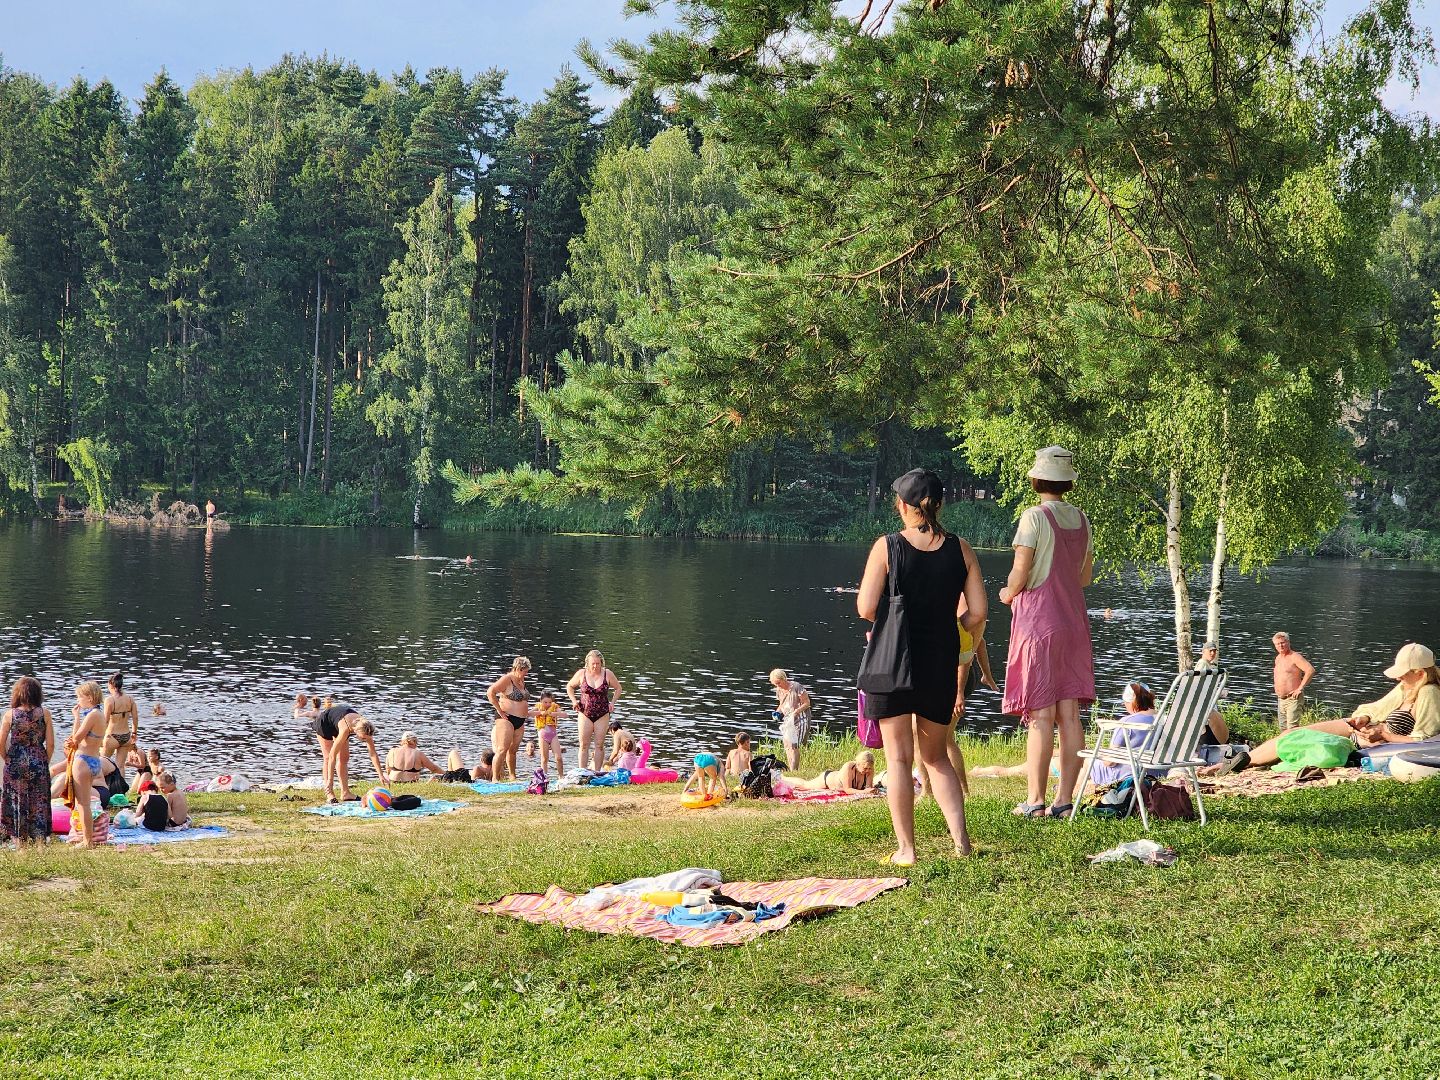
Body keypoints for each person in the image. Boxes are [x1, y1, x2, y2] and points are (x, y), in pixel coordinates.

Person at [858, 467, 986, 864]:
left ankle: (907, 850)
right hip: (938, 663)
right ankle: (962, 845)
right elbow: (978, 612)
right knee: (937, 757)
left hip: (891, 662)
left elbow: (865, 608)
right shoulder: (961, 548)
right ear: (940, 504)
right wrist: (953, 627)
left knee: (898, 759)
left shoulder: (887, 546)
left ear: (902, 505)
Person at [999, 446, 1095, 820]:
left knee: (1040, 715)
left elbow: (1020, 572)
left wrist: (1008, 592)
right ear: (1068, 482)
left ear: (1038, 479)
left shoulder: (1033, 517)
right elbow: (1084, 578)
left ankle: (1035, 800)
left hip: (1040, 623)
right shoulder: (1083, 520)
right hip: (1074, 623)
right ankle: (1065, 799)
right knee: (1069, 715)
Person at [1214, 643, 1440, 774]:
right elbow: (1377, 707)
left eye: (1404, 672)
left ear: (1420, 673)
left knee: (1294, 738)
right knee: (1290, 733)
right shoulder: (1406, 687)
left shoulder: (1429, 693)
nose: (1399, 676)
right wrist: (1363, 716)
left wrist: (1384, 734)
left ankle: (1237, 763)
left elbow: (1423, 740)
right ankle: (1237, 761)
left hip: (1363, 740)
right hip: (1361, 730)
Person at [52, 681, 107, 847]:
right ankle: (86, 837)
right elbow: (78, 737)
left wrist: (71, 739)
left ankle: (87, 840)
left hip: (83, 761)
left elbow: (75, 739)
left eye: (79, 697)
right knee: (84, 803)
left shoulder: (92, 715)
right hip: (94, 761)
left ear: (89, 698)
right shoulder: (99, 714)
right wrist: (76, 717)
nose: (78, 700)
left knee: (82, 804)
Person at [1, 676, 55, 845]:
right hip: (38, 757)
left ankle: (21, 844)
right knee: (39, 800)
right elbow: (51, 743)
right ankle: (39, 843)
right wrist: (45, 759)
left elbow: (1, 741)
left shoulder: (10, 714)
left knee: (17, 799)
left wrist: (7, 758)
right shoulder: (44, 713)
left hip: (15, 760)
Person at [568, 650, 622, 774]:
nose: (595, 666)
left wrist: (613, 702)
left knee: (599, 744)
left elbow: (618, 688)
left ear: (601, 663)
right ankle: (582, 772)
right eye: (593, 663)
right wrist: (574, 701)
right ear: (588, 663)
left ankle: (597, 772)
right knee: (583, 744)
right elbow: (569, 686)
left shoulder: (607, 674)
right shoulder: (582, 674)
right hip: (584, 712)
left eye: (598, 663)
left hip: (602, 713)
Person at [486, 657, 533, 782]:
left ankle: (512, 776)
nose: (526, 674)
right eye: (525, 671)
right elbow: (491, 692)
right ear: (518, 668)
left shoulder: (521, 680)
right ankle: (495, 778)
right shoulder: (507, 679)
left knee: (513, 750)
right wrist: (499, 710)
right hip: (506, 718)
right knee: (502, 749)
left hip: (520, 720)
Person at [768, 670, 812, 772]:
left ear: (784, 679)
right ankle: (790, 769)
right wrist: (777, 712)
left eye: (778, 683)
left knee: (793, 744)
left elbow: (807, 703)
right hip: (788, 719)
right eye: (775, 684)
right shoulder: (779, 690)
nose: (777, 686)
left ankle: (794, 770)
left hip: (801, 718)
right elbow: (782, 705)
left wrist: (796, 712)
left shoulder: (796, 687)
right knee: (787, 743)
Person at [1272, 632, 1315, 731]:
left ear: (1288, 642)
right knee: (1283, 729)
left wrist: (1300, 688)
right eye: (1278, 644)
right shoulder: (1278, 658)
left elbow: (1310, 670)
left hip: (1293, 698)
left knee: (1292, 729)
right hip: (1281, 699)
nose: (1281, 645)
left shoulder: (1295, 656)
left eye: (1283, 642)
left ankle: (1299, 746)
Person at [784, 751, 877, 794]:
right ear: (858, 763)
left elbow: (868, 788)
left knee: (805, 785)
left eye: (869, 768)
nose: (867, 771)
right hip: (827, 779)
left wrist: (870, 790)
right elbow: (848, 790)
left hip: (836, 775)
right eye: (865, 768)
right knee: (804, 785)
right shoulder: (849, 767)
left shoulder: (869, 770)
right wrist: (864, 792)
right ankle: (784, 778)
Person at [102, 673, 140, 776]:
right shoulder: (130, 699)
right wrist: (134, 733)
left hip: (112, 735)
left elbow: (105, 720)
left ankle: (101, 787)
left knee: (101, 762)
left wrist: (100, 736)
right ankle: (121, 790)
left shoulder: (109, 700)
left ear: (111, 685)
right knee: (120, 766)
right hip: (126, 735)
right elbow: (135, 717)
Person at [1193, 641, 1231, 745]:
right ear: (1203, 651)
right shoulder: (1202, 664)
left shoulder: (1208, 665)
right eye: (1210, 651)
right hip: (1205, 705)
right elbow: (1199, 685)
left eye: (1214, 651)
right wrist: (1218, 693)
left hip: (1208, 703)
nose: (1212, 653)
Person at [533, 691, 563, 777]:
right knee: (544, 758)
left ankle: (561, 776)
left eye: (550, 702)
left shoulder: (554, 707)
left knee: (558, 758)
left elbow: (564, 715)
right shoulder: (538, 707)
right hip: (542, 735)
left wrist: (555, 713)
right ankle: (544, 777)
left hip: (553, 735)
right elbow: (529, 713)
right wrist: (540, 713)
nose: (548, 704)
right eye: (545, 702)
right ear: (541, 701)